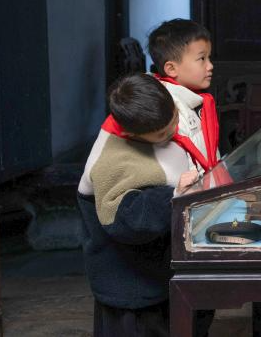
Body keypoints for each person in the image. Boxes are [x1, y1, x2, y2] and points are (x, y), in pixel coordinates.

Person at [78, 73, 200, 337]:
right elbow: (125, 219)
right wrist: (175, 194)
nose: (172, 131)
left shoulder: (152, 122)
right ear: (131, 133)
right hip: (130, 289)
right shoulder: (112, 161)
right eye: (162, 133)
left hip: (155, 276)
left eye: (174, 120)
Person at [147, 19, 221, 173]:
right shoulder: (169, 110)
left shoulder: (194, 98)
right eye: (202, 59)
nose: (210, 66)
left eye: (209, 58)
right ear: (171, 69)